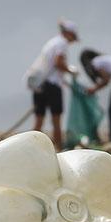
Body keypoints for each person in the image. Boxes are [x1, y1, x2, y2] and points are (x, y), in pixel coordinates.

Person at [24, 20, 79, 150]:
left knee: (39, 119)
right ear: (69, 33)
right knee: (56, 119)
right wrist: (70, 70)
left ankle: (30, 148)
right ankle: (59, 148)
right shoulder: (62, 43)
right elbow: (58, 62)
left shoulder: (52, 42)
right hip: (52, 85)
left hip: (40, 85)